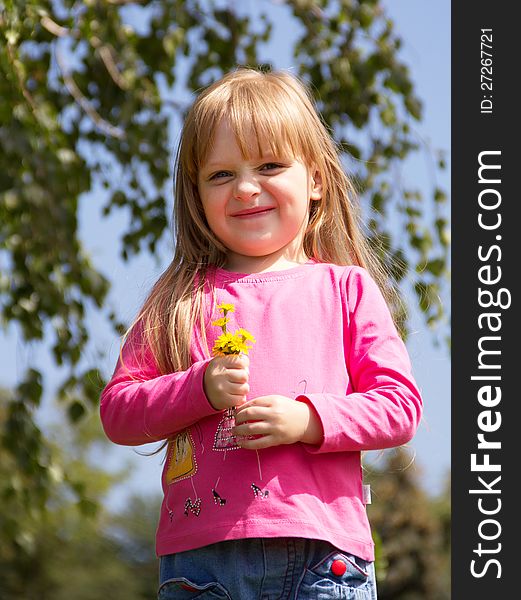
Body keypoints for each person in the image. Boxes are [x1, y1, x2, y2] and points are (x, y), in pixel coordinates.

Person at [100, 67, 423, 600]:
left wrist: (309, 418)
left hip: (323, 561)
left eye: (270, 165)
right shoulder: (178, 300)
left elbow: (399, 406)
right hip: (202, 566)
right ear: (196, 193)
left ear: (315, 178)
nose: (247, 188)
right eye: (221, 175)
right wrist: (197, 389)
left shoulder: (346, 289)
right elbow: (118, 410)